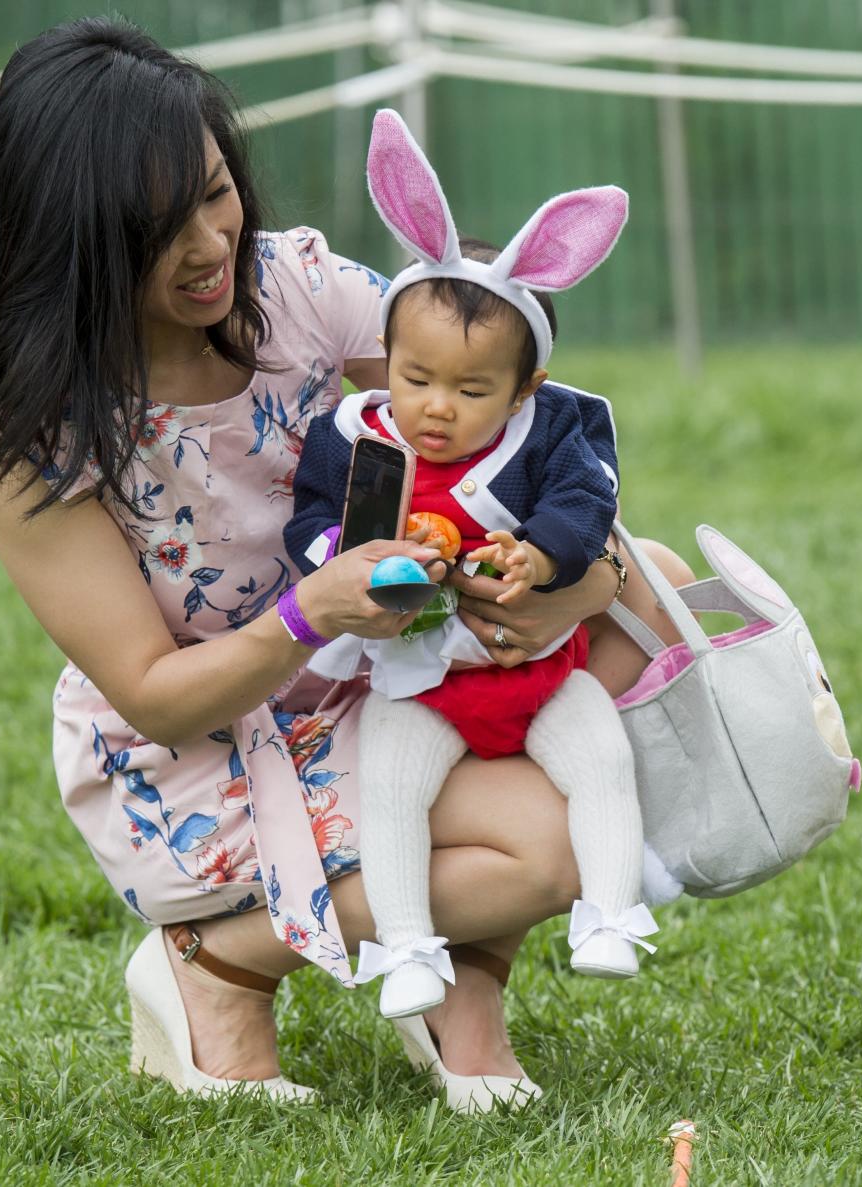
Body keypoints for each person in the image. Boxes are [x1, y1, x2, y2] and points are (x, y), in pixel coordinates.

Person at [0, 18, 692, 1113]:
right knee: (542, 851)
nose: (208, 244)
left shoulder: (290, 287)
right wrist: (309, 611)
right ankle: (221, 959)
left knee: (652, 583)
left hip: (376, 664)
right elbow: (154, 694)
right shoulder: (32, 435)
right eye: (159, 226)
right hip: (210, 734)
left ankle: (462, 989)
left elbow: (501, 420)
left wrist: (568, 585)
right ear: (74, 233)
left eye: (215, 192)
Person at [285, 109, 658, 1029]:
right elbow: (308, 519)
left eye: (472, 389)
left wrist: (544, 553)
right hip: (424, 675)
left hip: (536, 670)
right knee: (394, 789)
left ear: (524, 387)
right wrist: (340, 558)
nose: (438, 408)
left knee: (604, 759)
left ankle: (612, 913)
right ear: (390, 360)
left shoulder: (550, 434)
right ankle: (406, 944)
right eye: (417, 378)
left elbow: (586, 501)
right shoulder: (358, 436)